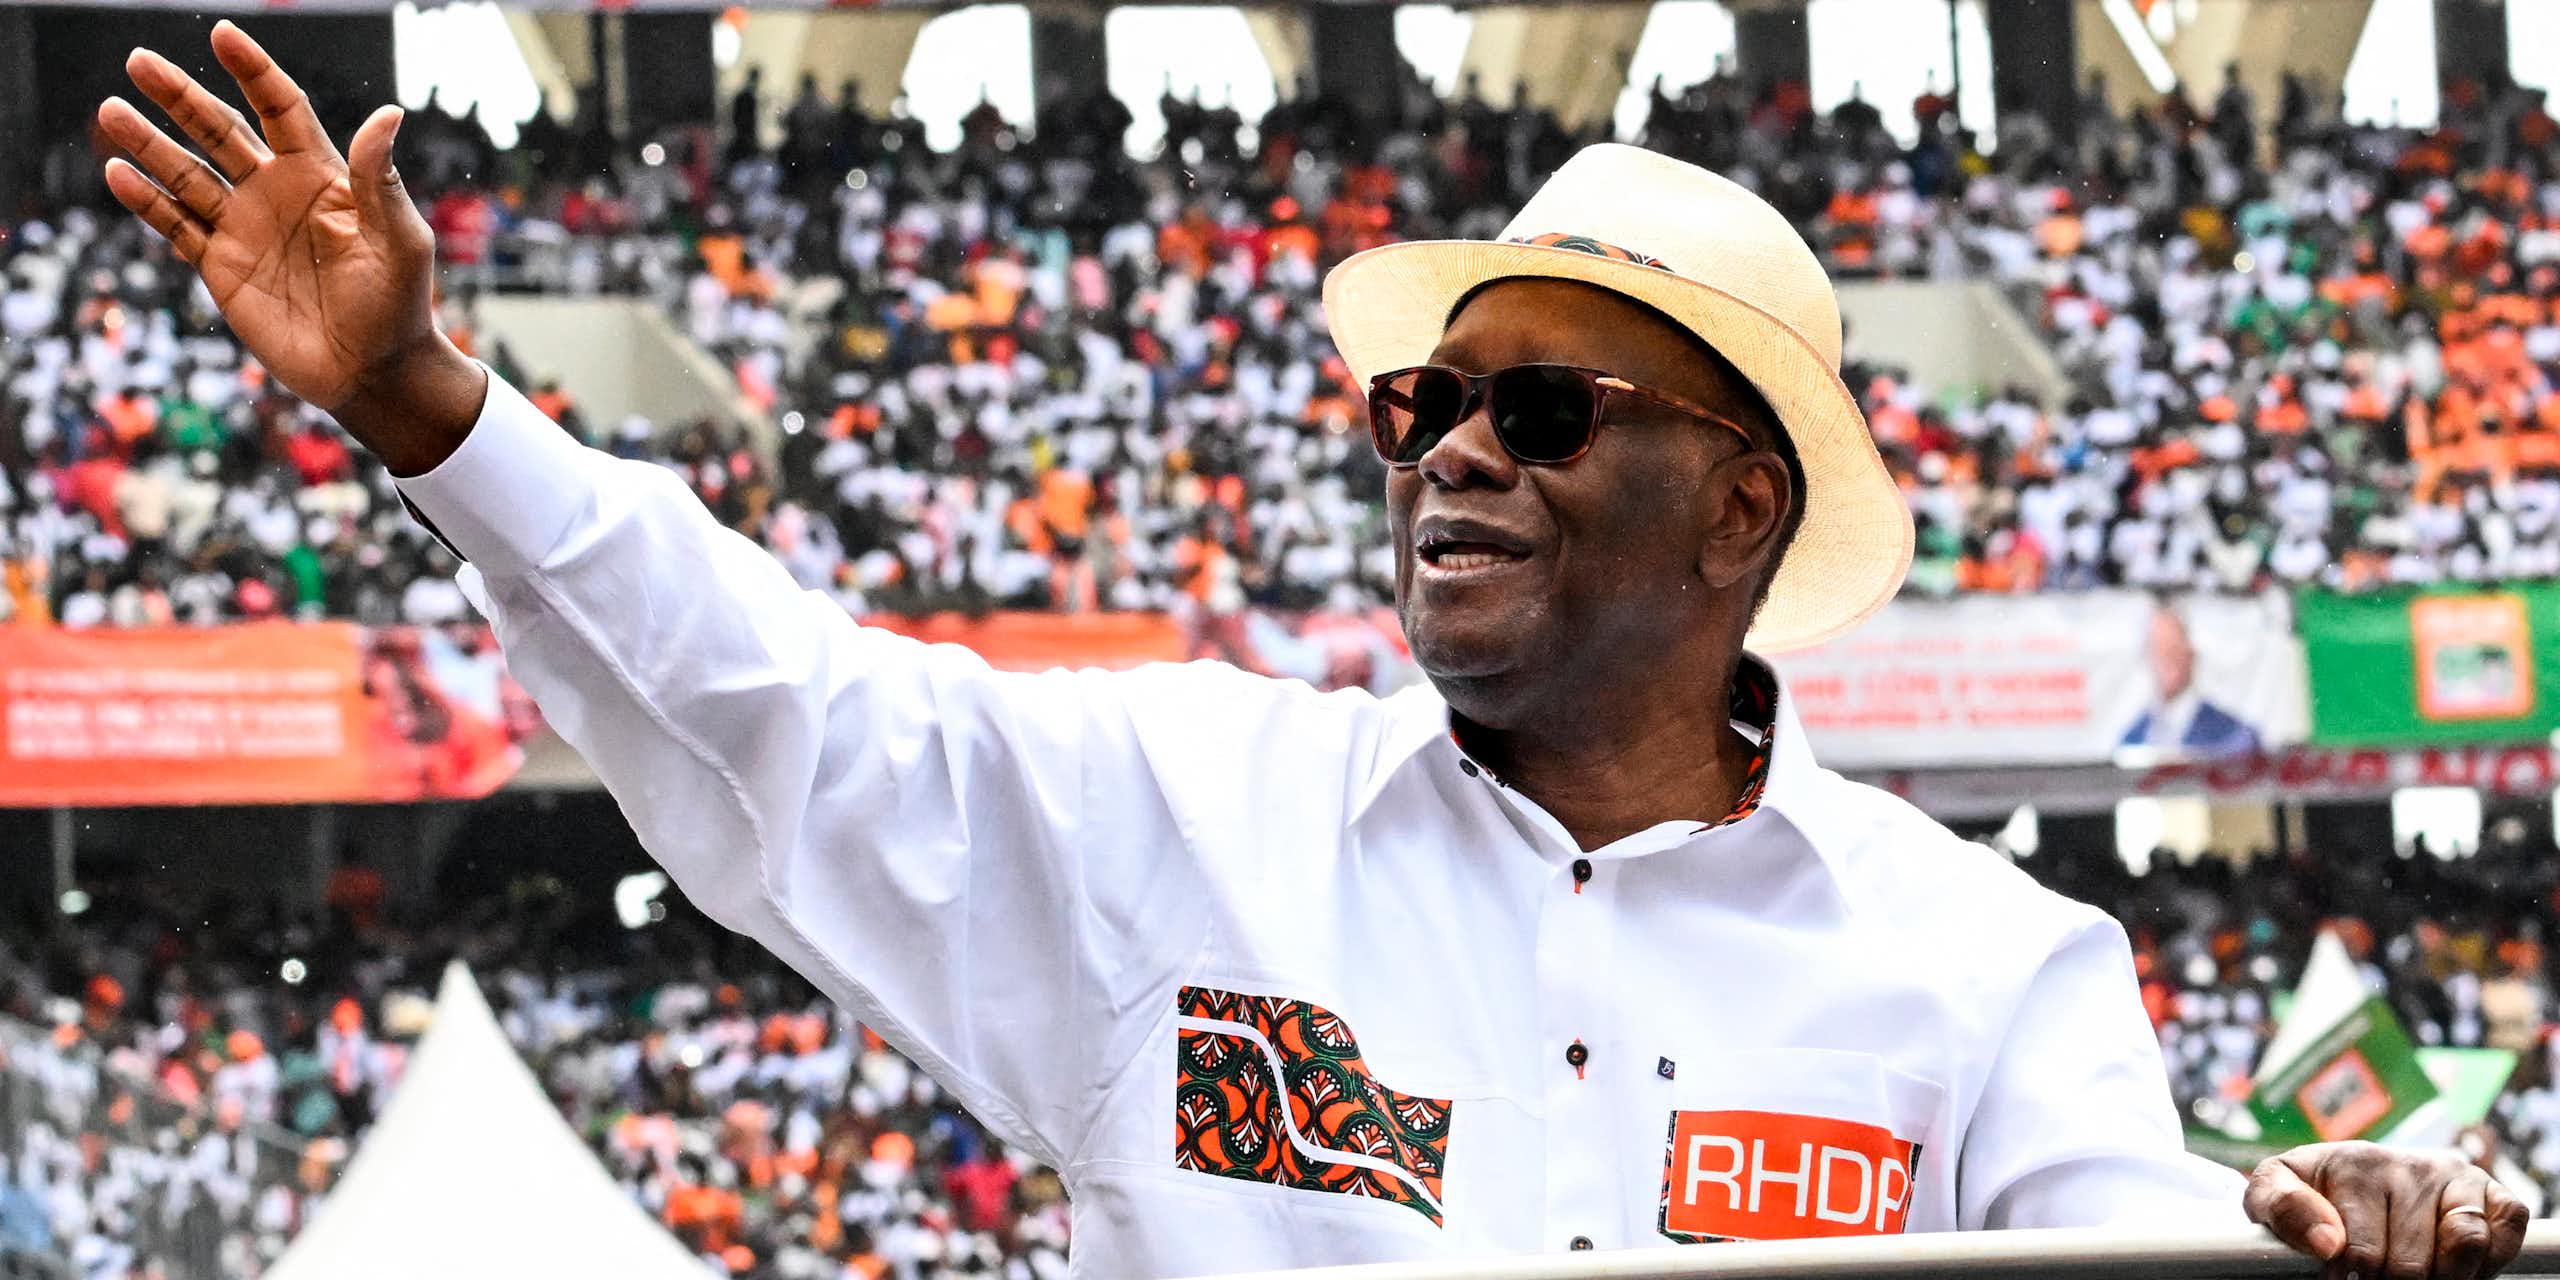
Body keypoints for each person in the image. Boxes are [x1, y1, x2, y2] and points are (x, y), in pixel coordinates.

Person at [95, 26, 2530, 1278]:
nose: (1451, 454)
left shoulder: (1999, 969)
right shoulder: (1171, 814)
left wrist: (2328, 1235)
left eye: (1545, 410)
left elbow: (2158, 1278)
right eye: (1425, 401)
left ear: (1745, 506)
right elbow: (768, 707)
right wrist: (430, 400)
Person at [2119, 603, 2263, 761]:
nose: (2167, 658)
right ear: (2146, 657)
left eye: (2174, 647)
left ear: (2191, 651)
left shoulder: (2235, 737)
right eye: (2158, 648)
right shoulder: (2132, 739)